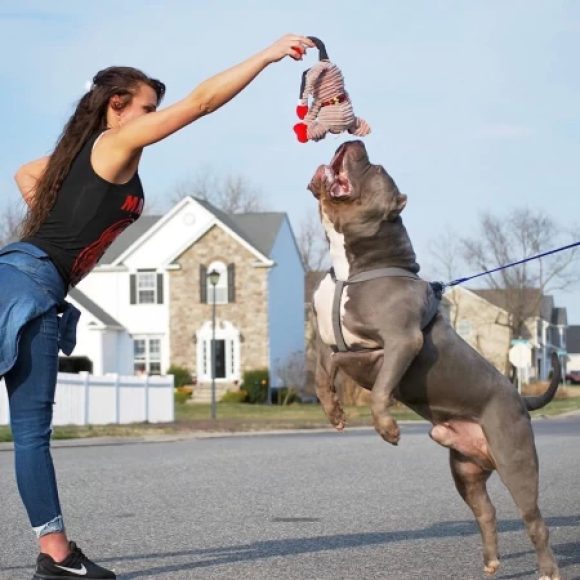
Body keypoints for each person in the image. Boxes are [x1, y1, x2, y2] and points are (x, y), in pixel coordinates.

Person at [1, 33, 314, 580]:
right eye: (148, 107)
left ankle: (57, 557)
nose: (156, 116)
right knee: (30, 436)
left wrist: (65, 235)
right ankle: (56, 560)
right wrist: (265, 56)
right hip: (26, 285)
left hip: (23, 277)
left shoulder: (86, 155)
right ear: (116, 107)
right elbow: (201, 102)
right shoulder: (114, 144)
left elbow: (27, 174)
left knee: (31, 435)